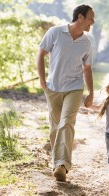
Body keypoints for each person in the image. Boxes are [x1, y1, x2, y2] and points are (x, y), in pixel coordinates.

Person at [36, 4, 95, 182]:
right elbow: (41, 55)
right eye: (90, 18)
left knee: (67, 122)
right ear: (80, 17)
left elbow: (87, 68)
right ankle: (56, 163)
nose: (93, 21)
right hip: (53, 87)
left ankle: (63, 164)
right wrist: (42, 80)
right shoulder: (55, 32)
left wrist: (91, 92)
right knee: (55, 127)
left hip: (74, 88)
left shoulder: (86, 42)